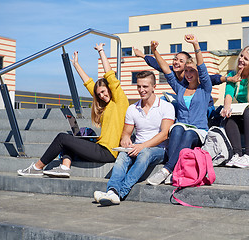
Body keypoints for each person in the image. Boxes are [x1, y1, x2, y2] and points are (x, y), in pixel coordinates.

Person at [17, 43, 129, 177]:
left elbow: (110, 75)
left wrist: (101, 51)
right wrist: (76, 64)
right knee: (69, 139)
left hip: (107, 152)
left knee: (62, 138)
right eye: (98, 94)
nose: (101, 96)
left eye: (104, 92)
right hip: (100, 147)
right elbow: (89, 84)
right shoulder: (106, 104)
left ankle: (37, 167)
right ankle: (64, 167)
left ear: (110, 89)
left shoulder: (120, 102)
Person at [93, 71, 175, 206]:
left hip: (159, 149)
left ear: (154, 87)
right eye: (139, 86)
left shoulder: (166, 107)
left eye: (145, 87)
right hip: (137, 146)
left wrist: (142, 146)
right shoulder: (132, 109)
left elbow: (164, 134)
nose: (141, 90)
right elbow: (126, 133)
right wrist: (125, 140)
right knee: (123, 155)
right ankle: (112, 191)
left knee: (145, 153)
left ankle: (120, 192)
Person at [146, 34, 212, 185]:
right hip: (181, 126)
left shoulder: (205, 88)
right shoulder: (180, 88)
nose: (188, 74)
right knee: (176, 129)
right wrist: (155, 51)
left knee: (189, 133)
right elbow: (166, 70)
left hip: (198, 129)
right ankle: (173, 169)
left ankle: (167, 169)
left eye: (192, 71)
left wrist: (196, 45)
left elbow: (202, 67)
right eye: (187, 71)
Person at [133, 46, 240, 118]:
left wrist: (228, 79)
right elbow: (157, 65)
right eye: (175, 59)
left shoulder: (193, 75)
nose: (176, 62)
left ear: (187, 64)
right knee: (163, 99)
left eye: (181, 61)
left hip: (204, 107)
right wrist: (143, 56)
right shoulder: (172, 73)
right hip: (186, 104)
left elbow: (211, 78)